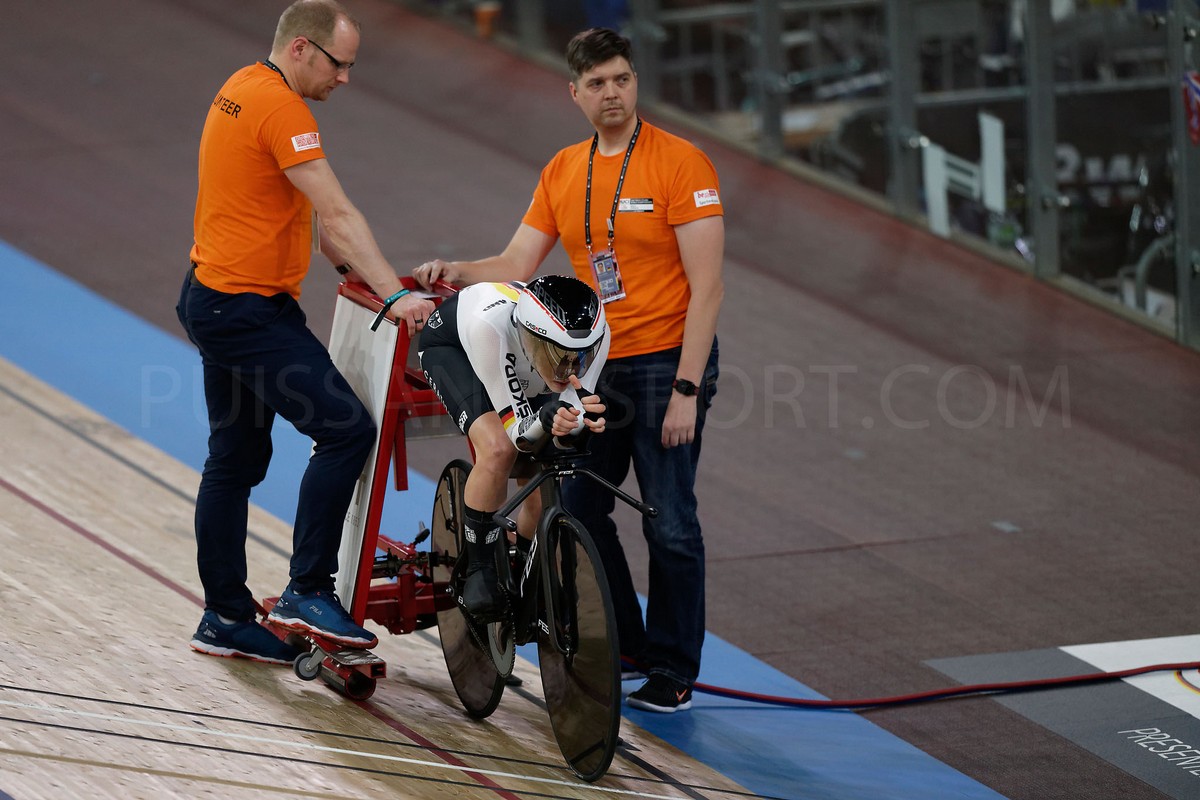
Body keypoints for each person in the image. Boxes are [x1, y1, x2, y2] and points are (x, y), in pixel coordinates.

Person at [413, 27, 724, 713]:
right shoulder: (563, 170)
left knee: (670, 519)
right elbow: (515, 264)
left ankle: (673, 668)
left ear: (635, 82)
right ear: (575, 93)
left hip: (665, 363)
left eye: (622, 80)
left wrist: (686, 388)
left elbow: (709, 289)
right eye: (598, 84)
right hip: (590, 366)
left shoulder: (682, 164)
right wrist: (457, 270)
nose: (612, 94)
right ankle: (627, 646)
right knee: (579, 504)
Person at [177, 0, 435, 665]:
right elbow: (339, 214)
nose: (344, 78)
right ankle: (307, 590)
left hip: (212, 298)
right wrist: (397, 295)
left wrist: (353, 270)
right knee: (346, 430)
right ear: (300, 48)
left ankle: (224, 617)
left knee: (234, 461)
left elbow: (312, 221)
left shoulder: (242, 86)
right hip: (246, 313)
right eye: (338, 64)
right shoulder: (283, 110)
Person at [418, 276, 608, 620]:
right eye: (558, 356)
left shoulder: (599, 335)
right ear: (531, 339)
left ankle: (524, 560)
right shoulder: (490, 330)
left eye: (578, 358)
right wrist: (549, 420)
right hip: (458, 349)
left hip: (523, 361)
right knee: (498, 449)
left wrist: (577, 425)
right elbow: (519, 435)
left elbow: (572, 415)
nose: (567, 370)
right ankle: (478, 568)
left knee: (545, 460)